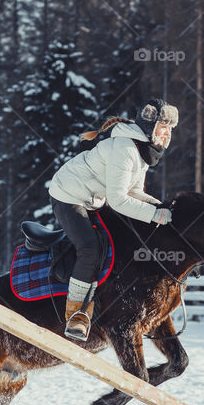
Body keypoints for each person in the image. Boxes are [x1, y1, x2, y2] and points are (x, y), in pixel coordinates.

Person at [48, 98, 178, 341]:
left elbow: (133, 191)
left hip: (94, 198)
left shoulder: (142, 150)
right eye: (164, 126)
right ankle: (76, 315)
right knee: (90, 247)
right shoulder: (126, 149)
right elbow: (119, 201)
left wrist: (160, 207)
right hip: (68, 194)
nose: (167, 133)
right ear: (150, 126)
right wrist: (155, 215)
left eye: (170, 128)